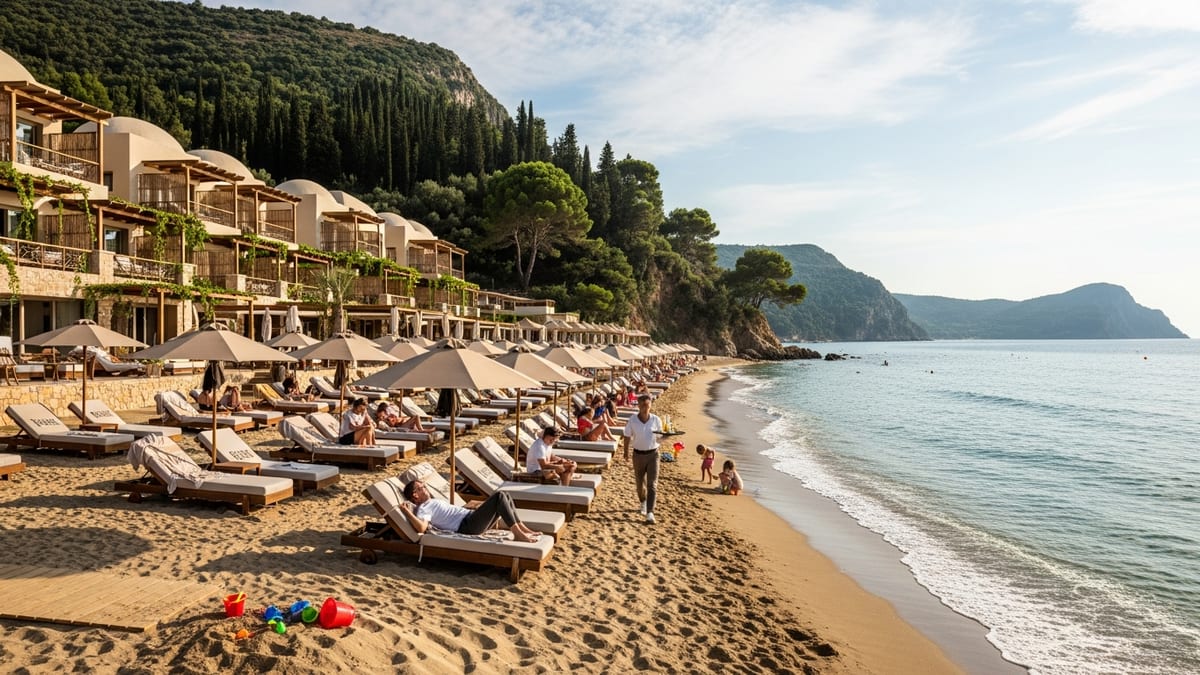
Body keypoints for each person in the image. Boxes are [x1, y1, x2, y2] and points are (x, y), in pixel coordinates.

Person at [399, 479, 541, 542]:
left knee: (505, 495)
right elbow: (422, 527)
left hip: (471, 517)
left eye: (424, 485)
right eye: (421, 487)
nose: (425, 487)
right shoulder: (424, 508)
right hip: (468, 526)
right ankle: (517, 533)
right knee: (499, 496)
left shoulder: (430, 502)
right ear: (415, 495)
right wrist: (407, 512)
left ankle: (522, 529)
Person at [622, 394, 663, 524]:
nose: (645, 408)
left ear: (651, 405)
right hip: (638, 455)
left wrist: (666, 437)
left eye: (648, 405)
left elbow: (660, 437)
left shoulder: (656, 420)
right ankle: (643, 501)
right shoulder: (633, 420)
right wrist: (625, 452)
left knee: (652, 484)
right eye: (643, 405)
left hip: (653, 454)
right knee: (640, 484)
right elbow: (627, 436)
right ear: (638, 405)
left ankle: (650, 512)